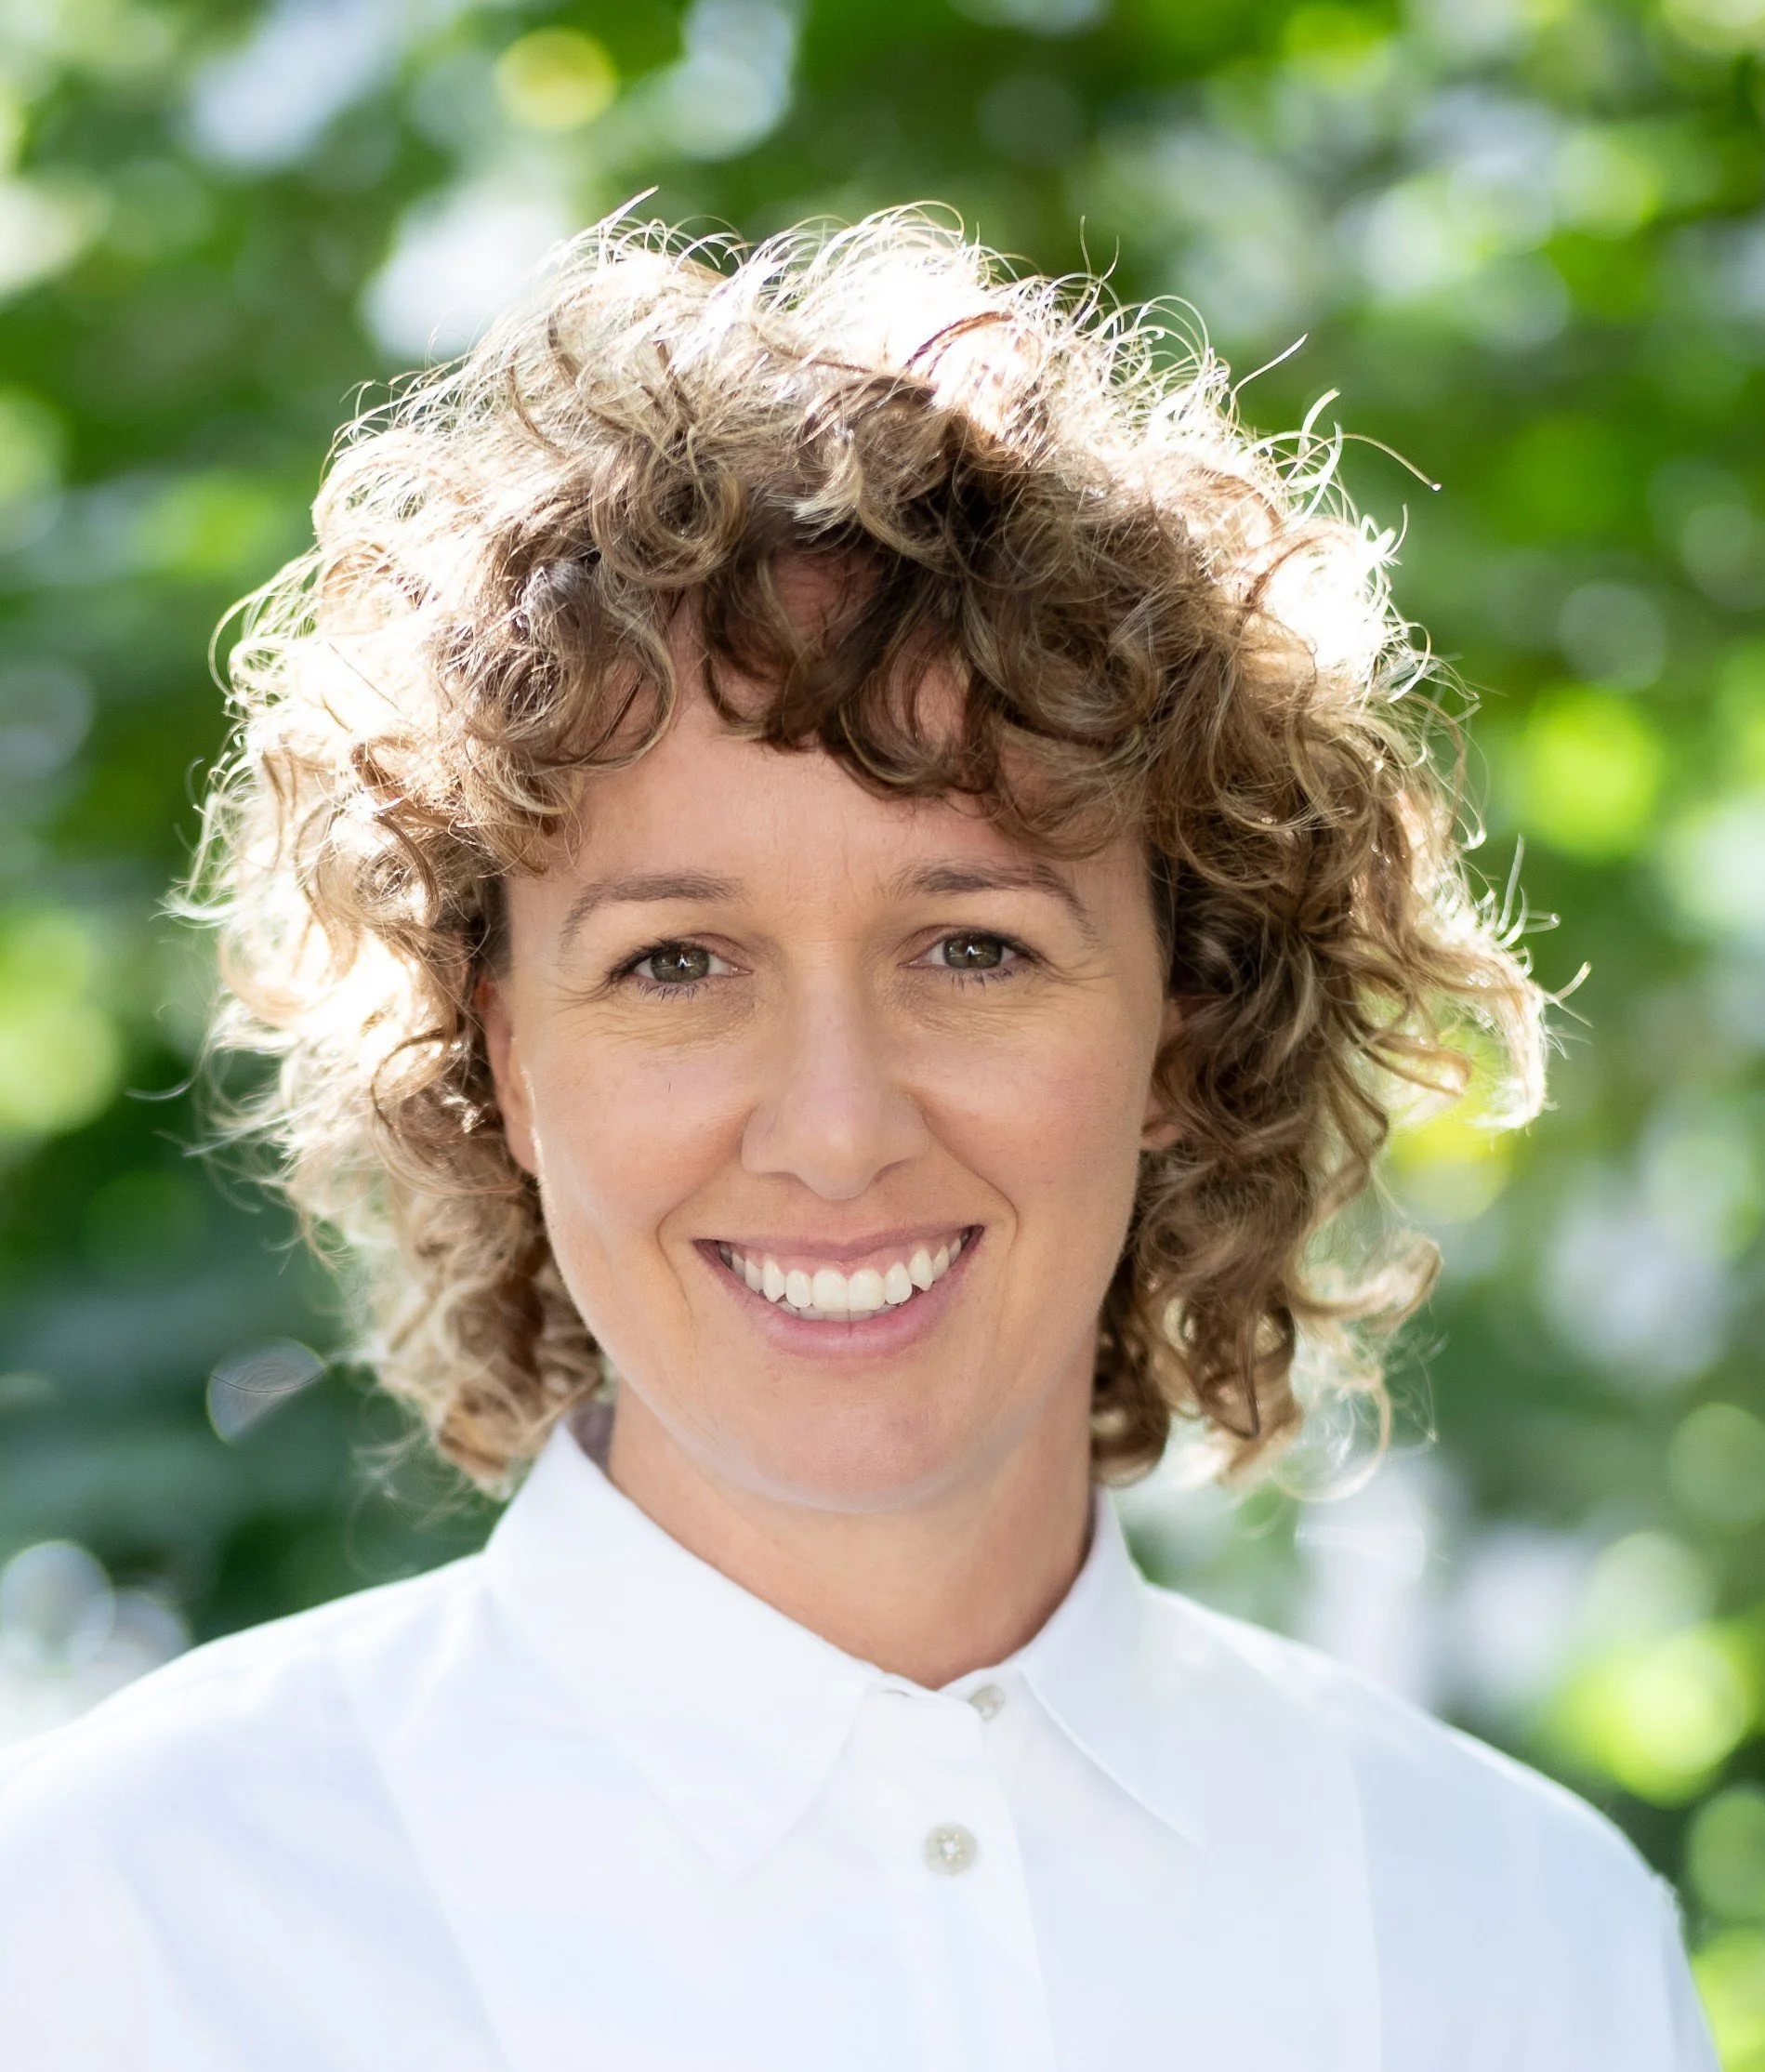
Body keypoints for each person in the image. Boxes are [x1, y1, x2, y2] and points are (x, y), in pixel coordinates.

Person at [0, 211, 1716, 2069]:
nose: (834, 1130)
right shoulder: (121, 1925)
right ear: (499, 1047)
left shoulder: (1520, 1941)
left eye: (970, 946)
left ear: (1185, 1010)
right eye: (678, 963)